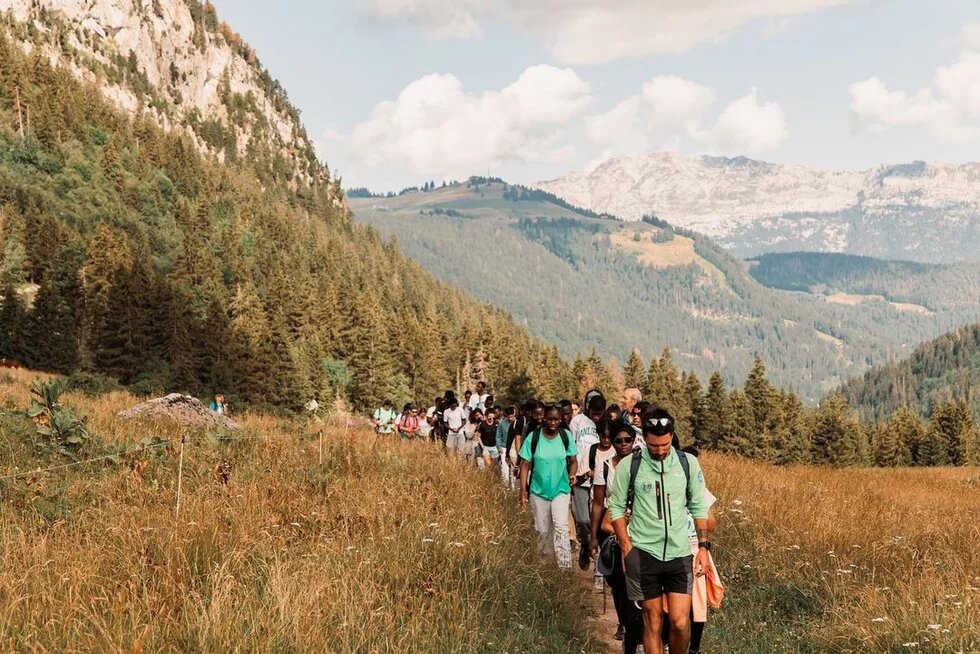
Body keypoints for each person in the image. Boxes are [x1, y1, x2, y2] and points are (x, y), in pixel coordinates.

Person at [607, 408, 711, 654]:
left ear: (672, 436)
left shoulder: (687, 463)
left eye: (665, 444)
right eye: (654, 445)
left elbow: (698, 506)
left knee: (679, 621)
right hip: (643, 554)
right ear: (644, 438)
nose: (660, 450)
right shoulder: (630, 465)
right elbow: (616, 508)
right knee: (652, 621)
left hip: (680, 554)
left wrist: (704, 548)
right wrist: (626, 547)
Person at [591, 422, 645, 650]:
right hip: (611, 528)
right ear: (612, 443)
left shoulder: (643, 465)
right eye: (618, 441)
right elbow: (597, 502)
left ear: (634, 441)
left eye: (627, 440)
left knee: (637, 583)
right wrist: (593, 536)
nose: (623, 445)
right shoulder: (605, 467)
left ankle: (636, 627)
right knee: (618, 584)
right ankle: (625, 622)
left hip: (639, 528)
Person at [661, 444, 719, 654]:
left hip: (695, 549)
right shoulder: (667, 485)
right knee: (669, 602)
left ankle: (694, 648)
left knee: (697, 603)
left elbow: (711, 523)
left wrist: (699, 509)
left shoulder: (701, 490)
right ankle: (667, 643)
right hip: (670, 548)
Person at [519, 404, 578, 569]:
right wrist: (523, 491)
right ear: (544, 418)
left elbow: (573, 461)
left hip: (561, 490)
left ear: (560, 420)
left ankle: (564, 567)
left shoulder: (565, 436)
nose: (553, 423)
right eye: (550, 419)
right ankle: (545, 567)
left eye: (556, 419)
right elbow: (525, 464)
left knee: (561, 527)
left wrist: (572, 474)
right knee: (542, 530)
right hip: (538, 492)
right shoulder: (534, 437)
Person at [570, 391, 606, 570]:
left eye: (600, 413)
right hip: (580, 478)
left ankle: (597, 557)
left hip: (600, 480)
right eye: (594, 413)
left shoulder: (605, 425)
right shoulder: (577, 422)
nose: (597, 416)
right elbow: (571, 448)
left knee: (596, 520)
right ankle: (585, 543)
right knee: (582, 519)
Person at [497, 406, 517, 487]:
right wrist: (499, 447)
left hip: (514, 447)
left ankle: (513, 486)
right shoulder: (502, 423)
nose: (510, 418)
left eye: (512, 416)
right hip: (504, 447)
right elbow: (498, 435)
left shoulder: (517, 422)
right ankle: (505, 485)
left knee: (513, 466)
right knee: (505, 467)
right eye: (509, 416)